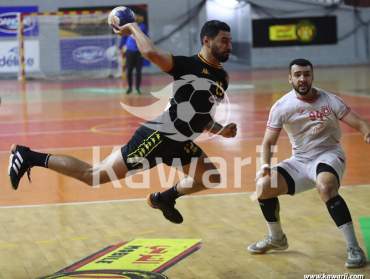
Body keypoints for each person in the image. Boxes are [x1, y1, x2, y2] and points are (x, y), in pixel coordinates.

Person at [8, 20, 237, 224]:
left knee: (210, 177)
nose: (229, 45)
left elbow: (202, 116)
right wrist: (132, 27)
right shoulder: (189, 66)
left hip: (180, 143)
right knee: (94, 176)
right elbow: (150, 52)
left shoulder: (222, 78)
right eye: (224, 41)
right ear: (207, 41)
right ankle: (28, 156)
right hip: (159, 136)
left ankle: (164, 199)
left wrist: (221, 130)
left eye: (230, 41)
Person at [248, 58, 369, 268]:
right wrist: (265, 167)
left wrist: (367, 132)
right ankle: (276, 239)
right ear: (290, 78)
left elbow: (358, 122)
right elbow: (268, 143)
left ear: (312, 76)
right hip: (300, 161)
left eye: (306, 74)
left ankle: (354, 248)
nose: (302, 78)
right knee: (264, 187)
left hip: (329, 155)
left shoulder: (330, 100)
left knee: (326, 186)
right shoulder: (282, 106)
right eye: (297, 75)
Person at [119, 14, 148, 95]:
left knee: (138, 71)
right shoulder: (128, 27)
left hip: (139, 51)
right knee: (129, 71)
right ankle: (130, 88)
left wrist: (145, 50)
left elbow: (145, 37)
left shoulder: (142, 27)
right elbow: (123, 36)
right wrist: (121, 46)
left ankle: (138, 88)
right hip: (130, 52)